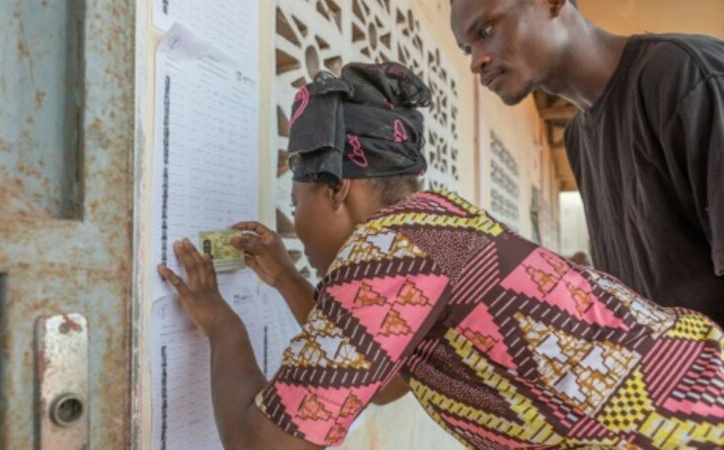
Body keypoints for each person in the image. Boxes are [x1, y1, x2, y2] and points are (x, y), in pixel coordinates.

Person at [157, 63, 724, 449]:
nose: (295, 223)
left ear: (337, 191)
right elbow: (386, 382)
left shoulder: (386, 248)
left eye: (296, 200)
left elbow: (265, 444)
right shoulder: (439, 219)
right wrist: (284, 277)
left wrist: (220, 321)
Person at [449, 0, 724, 326]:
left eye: (486, 30)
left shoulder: (684, 75)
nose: (476, 62)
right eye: (467, 49)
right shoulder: (577, 139)